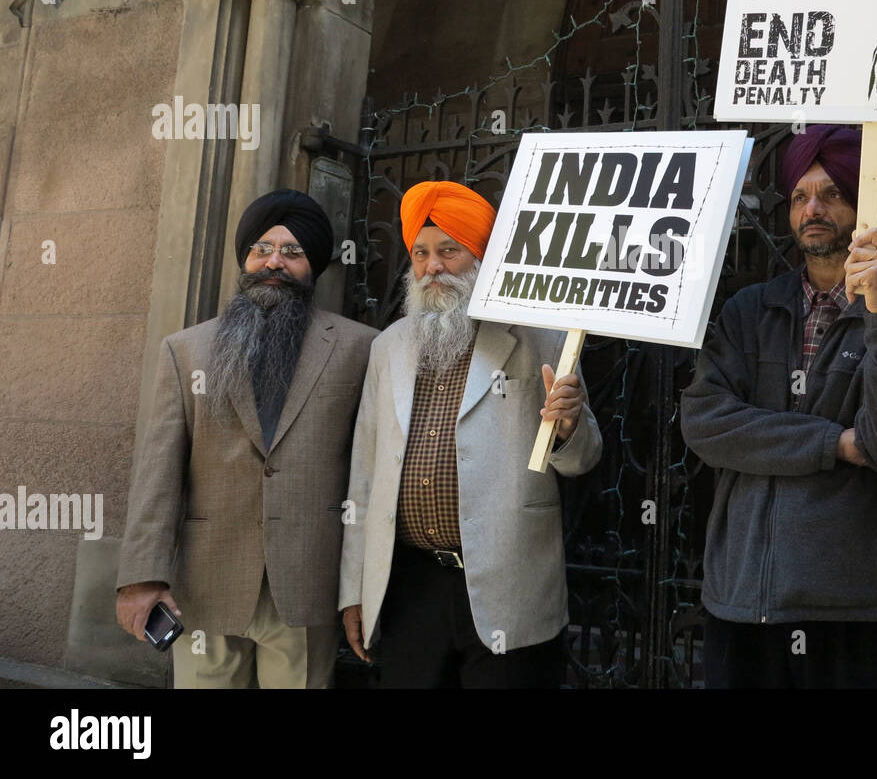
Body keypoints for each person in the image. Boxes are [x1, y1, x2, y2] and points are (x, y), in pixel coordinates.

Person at [680, 124, 877, 688]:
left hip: (856, 609)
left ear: (865, 204)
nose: (814, 208)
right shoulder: (750, 310)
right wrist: (835, 443)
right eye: (801, 196)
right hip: (744, 600)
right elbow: (704, 422)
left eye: (833, 193)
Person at [339, 180, 603, 688]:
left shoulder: (539, 334)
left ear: (480, 256)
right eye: (420, 253)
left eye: (448, 251)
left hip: (509, 582)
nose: (432, 267)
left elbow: (582, 459)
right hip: (408, 586)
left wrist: (569, 425)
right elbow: (364, 475)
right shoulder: (388, 346)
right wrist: (354, 588)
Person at [116, 189, 378, 688]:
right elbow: (158, 474)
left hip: (307, 585)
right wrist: (141, 577)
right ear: (245, 259)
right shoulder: (186, 350)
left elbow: (370, 475)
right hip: (207, 582)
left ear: (314, 265)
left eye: (292, 252)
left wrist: (362, 585)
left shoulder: (360, 348)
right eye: (262, 249)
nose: (273, 262)